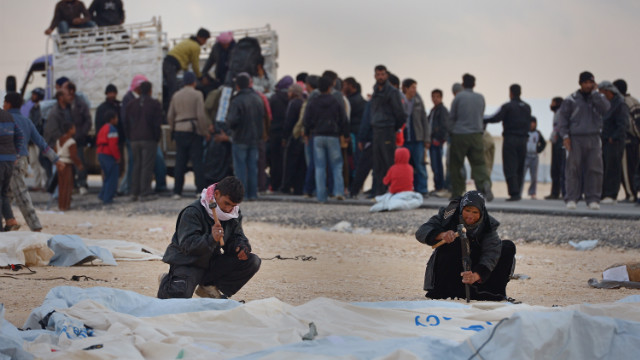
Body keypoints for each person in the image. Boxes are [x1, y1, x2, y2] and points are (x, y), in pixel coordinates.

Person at [157, 176, 261, 299]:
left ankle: (209, 287)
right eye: (226, 203)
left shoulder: (233, 214)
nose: (228, 209)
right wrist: (211, 238)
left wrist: (241, 246)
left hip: (212, 263)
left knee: (252, 261)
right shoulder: (193, 212)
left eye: (232, 205)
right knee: (179, 296)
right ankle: (168, 281)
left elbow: (237, 236)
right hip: (189, 263)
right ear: (216, 194)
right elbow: (187, 246)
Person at [415, 190, 516, 301]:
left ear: (481, 213)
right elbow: (421, 232)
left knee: (507, 247)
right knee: (455, 243)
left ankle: (490, 292)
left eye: (475, 212)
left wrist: (476, 276)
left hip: (473, 275)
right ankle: (448, 291)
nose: (470, 216)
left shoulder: (488, 225)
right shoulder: (448, 216)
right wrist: (442, 234)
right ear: (462, 208)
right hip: (449, 276)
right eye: (467, 210)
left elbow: (491, 253)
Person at [4, 93, 60, 231]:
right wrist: (55, 158)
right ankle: (9, 223)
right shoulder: (27, 121)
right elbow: (40, 142)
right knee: (7, 195)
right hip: (23, 161)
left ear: (9, 104)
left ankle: (35, 226)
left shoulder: (5, 120)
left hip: (10, 161)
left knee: (20, 195)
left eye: (4, 102)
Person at [558, 71, 610, 210]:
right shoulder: (571, 99)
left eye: (590, 83)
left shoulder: (599, 97)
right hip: (576, 138)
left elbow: (606, 109)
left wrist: (595, 94)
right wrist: (565, 136)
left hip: (594, 137)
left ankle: (593, 199)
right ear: (580, 83)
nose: (588, 85)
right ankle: (572, 198)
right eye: (585, 82)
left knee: (595, 169)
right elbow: (562, 119)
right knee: (573, 169)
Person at [304, 76, 349, 202]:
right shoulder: (335, 102)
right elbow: (343, 119)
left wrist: (307, 133)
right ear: (330, 87)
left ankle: (321, 196)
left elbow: (307, 119)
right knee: (336, 165)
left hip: (317, 135)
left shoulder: (313, 101)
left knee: (319, 166)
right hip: (333, 136)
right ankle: (339, 191)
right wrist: (345, 134)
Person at [448, 74, 493, 200]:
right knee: (479, 163)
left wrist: (450, 132)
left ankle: (458, 191)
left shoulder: (458, 97)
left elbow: (452, 117)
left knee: (456, 164)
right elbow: (481, 114)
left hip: (460, 134)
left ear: (463, 84)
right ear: (474, 84)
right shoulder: (480, 98)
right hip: (476, 135)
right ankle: (484, 185)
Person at [484, 84, 532, 201]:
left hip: (510, 139)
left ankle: (514, 193)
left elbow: (495, 118)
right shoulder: (527, 107)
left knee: (510, 166)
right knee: (520, 166)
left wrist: (482, 119)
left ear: (510, 93)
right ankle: (518, 193)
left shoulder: (507, 106)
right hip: (523, 140)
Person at [167, 71, 210, 199]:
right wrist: (204, 131)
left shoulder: (176, 95)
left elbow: (170, 115)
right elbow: (201, 116)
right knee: (197, 162)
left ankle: (177, 191)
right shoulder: (197, 94)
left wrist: (173, 128)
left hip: (179, 130)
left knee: (180, 161)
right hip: (193, 130)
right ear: (193, 82)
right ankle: (199, 190)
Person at [226, 74, 265, 201]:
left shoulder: (237, 100)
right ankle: (253, 194)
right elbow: (263, 118)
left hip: (240, 138)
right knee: (253, 167)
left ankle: (241, 194)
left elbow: (232, 120)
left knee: (240, 168)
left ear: (237, 85)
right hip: (255, 138)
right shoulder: (258, 98)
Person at [370, 65, 406, 196]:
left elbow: (400, 114)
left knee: (388, 162)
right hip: (376, 130)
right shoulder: (375, 91)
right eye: (378, 74)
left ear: (386, 75)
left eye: (382, 74)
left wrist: (393, 127)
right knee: (377, 163)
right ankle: (379, 192)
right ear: (375, 75)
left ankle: (392, 191)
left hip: (387, 130)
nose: (380, 77)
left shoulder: (392, 92)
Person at [125, 81, 162, 201]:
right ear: (150, 90)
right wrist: (157, 137)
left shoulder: (131, 104)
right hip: (149, 138)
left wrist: (130, 136)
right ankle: (145, 192)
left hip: (134, 139)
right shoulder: (154, 104)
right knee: (147, 166)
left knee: (136, 165)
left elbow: (126, 122)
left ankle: (134, 192)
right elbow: (157, 123)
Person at [162, 28, 210, 111]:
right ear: (200, 38)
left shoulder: (187, 41)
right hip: (172, 65)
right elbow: (195, 65)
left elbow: (185, 63)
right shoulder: (195, 47)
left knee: (170, 88)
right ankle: (171, 111)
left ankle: (168, 110)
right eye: (205, 39)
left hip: (167, 63)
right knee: (173, 90)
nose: (205, 42)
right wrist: (200, 77)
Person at [599, 81, 629, 204]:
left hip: (615, 141)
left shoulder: (620, 104)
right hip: (605, 141)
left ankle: (611, 195)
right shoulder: (608, 104)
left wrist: (614, 137)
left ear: (607, 91)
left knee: (613, 168)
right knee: (605, 167)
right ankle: (603, 193)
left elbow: (623, 124)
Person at [401, 78, 430, 196]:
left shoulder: (418, 101)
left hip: (417, 138)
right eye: (412, 87)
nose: (414, 90)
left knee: (420, 165)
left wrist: (427, 138)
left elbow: (424, 120)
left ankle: (422, 190)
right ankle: (407, 189)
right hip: (403, 139)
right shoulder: (400, 100)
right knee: (405, 166)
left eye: (415, 87)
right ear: (405, 88)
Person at [613, 79, 640, 204]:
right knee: (634, 168)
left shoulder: (623, 103)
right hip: (635, 141)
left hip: (628, 140)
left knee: (626, 169)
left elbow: (632, 124)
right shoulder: (634, 101)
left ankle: (631, 195)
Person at [64, 82, 91, 195]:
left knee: (79, 161)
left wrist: (82, 133)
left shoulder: (80, 104)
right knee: (68, 162)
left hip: (78, 139)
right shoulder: (64, 105)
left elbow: (88, 120)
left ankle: (82, 183)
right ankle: (73, 185)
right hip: (67, 139)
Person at [0, 108, 25, 230]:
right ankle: (10, 220)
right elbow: (20, 135)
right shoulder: (8, 116)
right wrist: (16, 154)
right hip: (10, 160)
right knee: (3, 193)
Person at [268, 76, 293, 192]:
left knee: (274, 160)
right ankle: (285, 184)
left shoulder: (274, 98)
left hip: (273, 133)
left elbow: (268, 116)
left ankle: (274, 184)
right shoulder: (291, 99)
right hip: (287, 134)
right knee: (286, 160)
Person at [280, 83, 306, 195]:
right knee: (300, 164)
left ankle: (286, 186)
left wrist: (285, 137)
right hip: (302, 137)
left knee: (289, 163)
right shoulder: (303, 103)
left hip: (293, 137)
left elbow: (288, 122)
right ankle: (298, 188)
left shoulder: (293, 104)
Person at [56, 123, 82, 211]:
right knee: (67, 186)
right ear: (70, 129)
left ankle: (61, 205)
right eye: (73, 128)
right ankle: (65, 205)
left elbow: (55, 150)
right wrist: (79, 164)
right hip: (67, 164)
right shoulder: (71, 142)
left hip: (59, 163)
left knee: (61, 185)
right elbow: (73, 156)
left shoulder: (59, 140)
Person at [96, 110, 120, 204]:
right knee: (112, 177)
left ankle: (103, 195)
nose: (117, 120)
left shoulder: (103, 128)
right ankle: (107, 198)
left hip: (101, 153)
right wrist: (117, 157)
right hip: (108, 154)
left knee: (107, 176)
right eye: (116, 118)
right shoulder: (112, 129)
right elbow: (113, 145)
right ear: (112, 119)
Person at [429, 89, 449, 196]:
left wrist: (440, 139)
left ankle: (440, 187)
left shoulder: (442, 110)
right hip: (432, 141)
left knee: (437, 165)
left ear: (441, 98)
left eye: (437, 97)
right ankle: (437, 186)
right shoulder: (433, 110)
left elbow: (444, 126)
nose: (435, 99)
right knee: (434, 165)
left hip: (437, 141)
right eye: (433, 97)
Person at [545, 97, 566, 200]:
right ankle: (556, 192)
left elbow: (559, 128)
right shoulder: (557, 113)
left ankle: (559, 192)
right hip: (557, 142)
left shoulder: (560, 113)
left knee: (558, 168)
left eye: (552, 102)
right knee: (556, 169)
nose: (551, 105)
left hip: (559, 142)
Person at [523, 117, 546, 199]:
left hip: (534, 157)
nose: (532, 125)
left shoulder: (538, 133)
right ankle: (519, 191)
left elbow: (544, 143)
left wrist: (538, 150)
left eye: (534, 123)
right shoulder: (525, 132)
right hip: (525, 156)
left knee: (534, 176)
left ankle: (532, 192)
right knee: (522, 175)